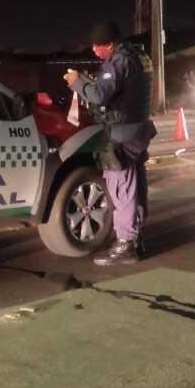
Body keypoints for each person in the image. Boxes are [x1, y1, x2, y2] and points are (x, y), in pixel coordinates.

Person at [64, 22, 156, 266]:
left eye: (98, 45)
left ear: (111, 44)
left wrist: (76, 82)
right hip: (137, 129)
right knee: (135, 184)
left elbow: (98, 95)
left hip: (122, 134)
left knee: (121, 187)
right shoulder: (137, 56)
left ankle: (125, 243)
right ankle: (135, 239)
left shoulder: (119, 62)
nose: (94, 50)